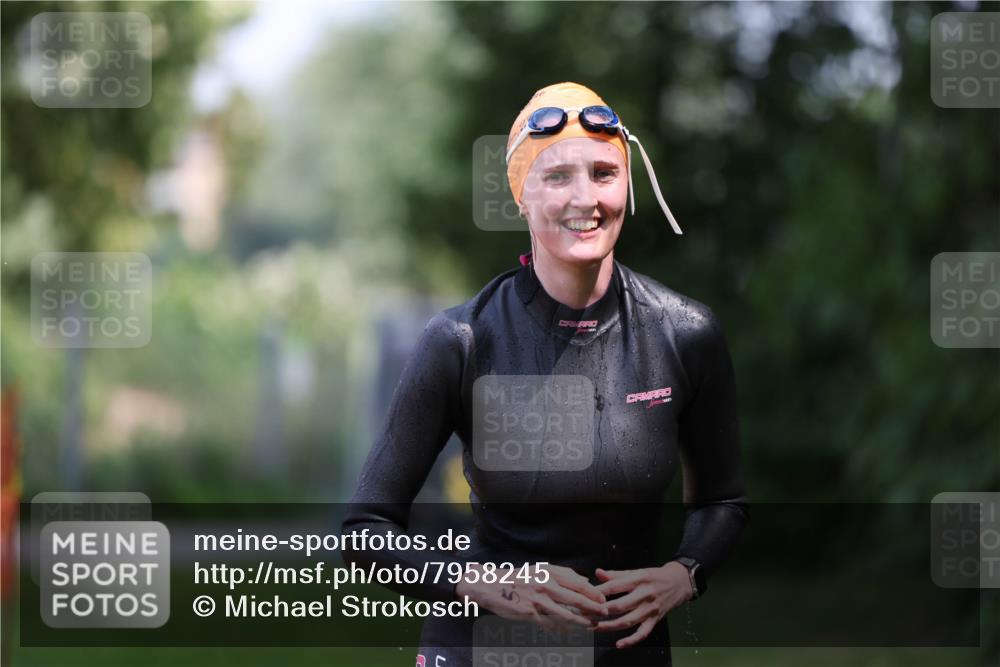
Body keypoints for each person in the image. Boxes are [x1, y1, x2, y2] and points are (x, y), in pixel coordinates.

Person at [342, 81, 749, 666]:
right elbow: (365, 529)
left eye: (604, 174)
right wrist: (487, 584)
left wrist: (684, 573)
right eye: (557, 176)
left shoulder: (684, 333)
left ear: (628, 186)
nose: (585, 198)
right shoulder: (461, 341)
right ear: (521, 196)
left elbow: (724, 501)